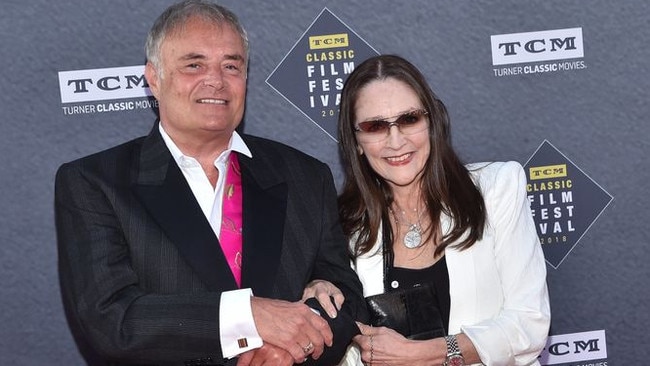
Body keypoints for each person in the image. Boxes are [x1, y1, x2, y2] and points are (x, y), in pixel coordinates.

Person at [54, 1, 367, 365]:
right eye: (194, 64)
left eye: (231, 65)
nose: (215, 80)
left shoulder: (305, 176)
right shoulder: (95, 182)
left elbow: (346, 297)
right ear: (154, 78)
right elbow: (112, 320)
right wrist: (248, 317)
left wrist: (292, 347)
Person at [303, 55, 550, 366]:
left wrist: (425, 353)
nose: (396, 140)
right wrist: (320, 293)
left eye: (409, 119)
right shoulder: (344, 227)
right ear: (357, 143)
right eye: (375, 126)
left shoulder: (495, 189)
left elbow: (529, 323)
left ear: (432, 121)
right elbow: (350, 351)